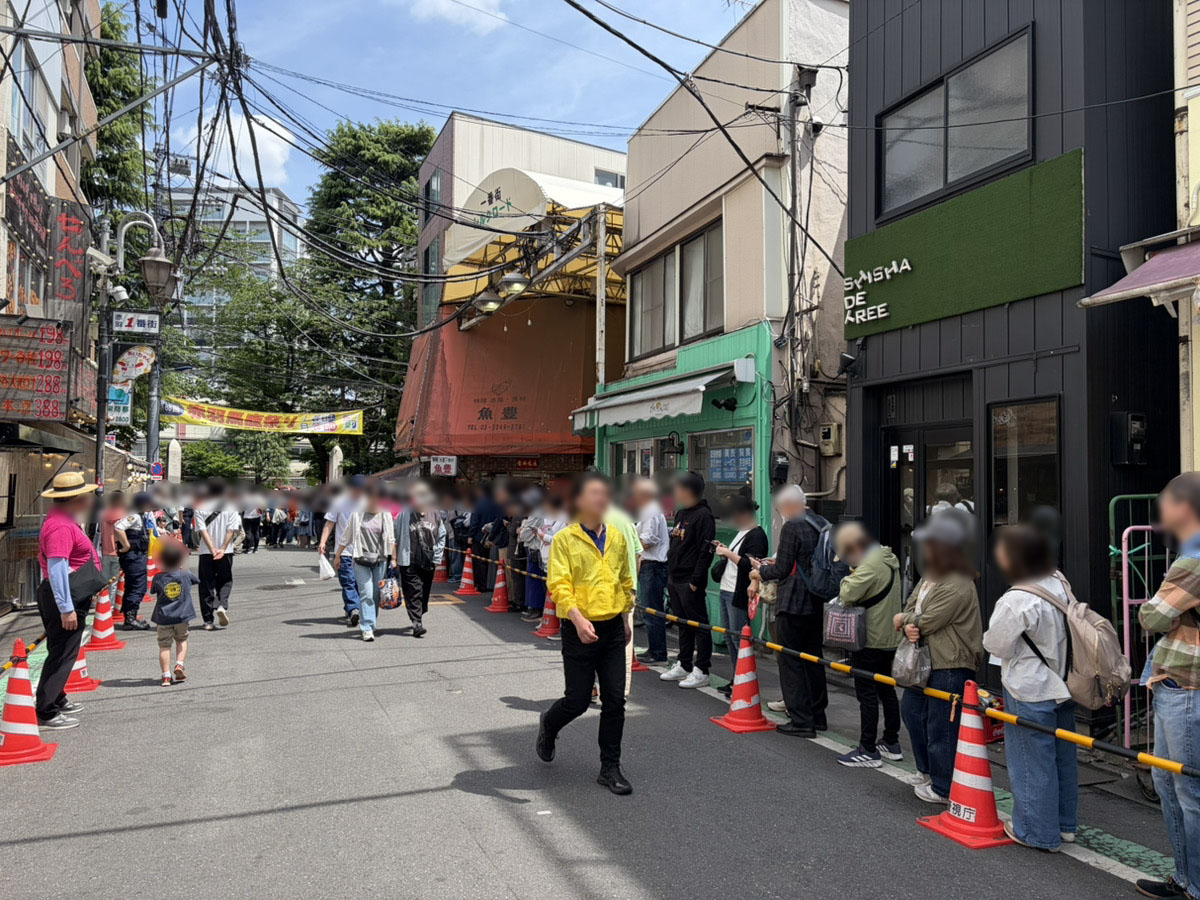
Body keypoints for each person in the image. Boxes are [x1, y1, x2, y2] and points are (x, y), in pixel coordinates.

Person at [536, 471, 635, 795]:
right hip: (577, 627)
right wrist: (578, 620)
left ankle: (610, 767)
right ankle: (549, 724)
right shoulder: (565, 539)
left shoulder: (617, 537)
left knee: (615, 701)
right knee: (577, 701)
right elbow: (559, 585)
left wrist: (625, 617)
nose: (603, 499)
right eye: (595, 493)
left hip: (612, 627)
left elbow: (624, 579)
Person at [983, 525, 1077, 852]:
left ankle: (1036, 831)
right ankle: (1065, 825)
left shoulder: (1016, 598)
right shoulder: (1059, 582)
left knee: (1031, 761)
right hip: (1063, 682)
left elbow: (995, 644)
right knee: (1063, 757)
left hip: (1030, 687)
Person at [1135, 473, 1200, 900]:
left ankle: (1192, 883)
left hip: (1187, 684)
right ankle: (1186, 878)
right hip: (1178, 683)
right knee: (1170, 782)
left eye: (1166, 501)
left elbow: (1152, 616)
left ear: (1185, 506)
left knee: (1186, 789)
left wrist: (1161, 611)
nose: (1160, 509)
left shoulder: (1193, 558)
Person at [896, 509, 983, 804]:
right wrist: (909, 621)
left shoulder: (958, 581)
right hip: (926, 659)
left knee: (941, 726)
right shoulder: (930, 577)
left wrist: (906, 621)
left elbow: (929, 620)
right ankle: (926, 771)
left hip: (951, 662)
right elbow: (911, 608)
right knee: (912, 712)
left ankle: (943, 786)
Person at [749, 485, 827, 737]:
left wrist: (760, 571)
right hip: (816, 599)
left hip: (793, 600)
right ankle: (818, 715)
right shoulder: (821, 522)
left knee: (790, 660)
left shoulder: (792, 526)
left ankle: (801, 720)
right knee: (813, 659)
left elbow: (782, 569)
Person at [35, 472, 104, 730]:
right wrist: (66, 608)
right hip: (64, 597)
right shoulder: (61, 526)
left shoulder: (63, 519)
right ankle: (47, 709)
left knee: (62, 650)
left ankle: (56, 697)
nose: (90, 499)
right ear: (75, 499)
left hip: (67, 594)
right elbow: (57, 569)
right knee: (62, 653)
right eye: (86, 495)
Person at [832, 521, 903, 768]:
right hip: (888, 636)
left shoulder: (870, 564)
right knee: (886, 689)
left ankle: (868, 749)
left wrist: (847, 573)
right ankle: (891, 741)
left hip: (870, 637)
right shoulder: (888, 558)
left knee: (867, 694)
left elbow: (847, 593)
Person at [659, 472, 716, 689]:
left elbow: (705, 551)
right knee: (682, 623)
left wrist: (695, 580)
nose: (675, 492)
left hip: (690, 579)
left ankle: (702, 669)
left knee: (699, 624)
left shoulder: (704, 516)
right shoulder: (682, 513)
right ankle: (684, 663)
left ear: (688, 490)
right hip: (675, 577)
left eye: (678, 488)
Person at [712, 495, 769, 696]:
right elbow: (739, 558)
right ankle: (736, 679)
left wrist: (727, 554)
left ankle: (743, 681)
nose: (732, 519)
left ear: (743, 514)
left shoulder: (757, 535)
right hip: (727, 588)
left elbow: (750, 565)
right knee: (730, 637)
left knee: (739, 639)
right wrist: (726, 550)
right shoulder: (742, 532)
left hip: (739, 592)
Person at [339, 484, 395, 642]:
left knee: (376, 595)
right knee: (366, 594)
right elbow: (347, 535)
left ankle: (371, 622)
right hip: (361, 559)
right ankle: (367, 628)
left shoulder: (386, 515)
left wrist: (394, 559)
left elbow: (391, 539)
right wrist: (338, 555)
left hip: (380, 560)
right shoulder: (358, 514)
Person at [395, 482, 445, 638]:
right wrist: (393, 557)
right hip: (409, 559)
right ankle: (417, 623)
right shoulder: (404, 514)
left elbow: (441, 535)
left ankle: (419, 612)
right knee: (413, 590)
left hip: (428, 560)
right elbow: (394, 535)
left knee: (424, 592)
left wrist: (437, 556)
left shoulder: (435, 514)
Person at [195, 479, 242, 632]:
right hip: (225, 552)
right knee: (225, 580)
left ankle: (208, 620)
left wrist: (212, 549)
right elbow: (231, 531)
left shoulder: (200, 506)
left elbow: (202, 531)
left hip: (206, 552)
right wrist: (222, 549)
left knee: (206, 585)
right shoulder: (231, 506)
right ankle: (221, 604)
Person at [320, 476, 367, 627]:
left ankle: (351, 608)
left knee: (360, 583)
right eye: (357, 489)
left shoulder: (367, 502)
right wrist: (322, 542)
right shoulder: (339, 501)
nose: (359, 492)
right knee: (348, 581)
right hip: (344, 551)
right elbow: (330, 523)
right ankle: (353, 609)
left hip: (363, 551)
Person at [633, 477, 671, 664]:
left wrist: (630, 544)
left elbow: (647, 541)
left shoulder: (650, 510)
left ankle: (658, 653)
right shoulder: (648, 510)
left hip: (653, 566)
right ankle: (655, 650)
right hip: (650, 566)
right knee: (650, 610)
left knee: (652, 611)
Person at [150, 539, 198, 687]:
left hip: (163, 617)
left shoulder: (158, 578)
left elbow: (153, 591)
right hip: (182, 616)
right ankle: (179, 664)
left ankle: (166, 676)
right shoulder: (185, 574)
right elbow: (196, 580)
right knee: (181, 640)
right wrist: (183, 567)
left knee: (164, 646)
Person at [113, 492, 154, 631]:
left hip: (137, 556)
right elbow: (118, 527)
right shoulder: (135, 516)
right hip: (134, 556)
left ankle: (129, 617)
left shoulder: (140, 515)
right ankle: (130, 618)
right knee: (138, 586)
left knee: (132, 586)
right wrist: (126, 546)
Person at [469, 482, 503, 591]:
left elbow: (474, 521)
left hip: (479, 536)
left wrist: (470, 536)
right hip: (493, 536)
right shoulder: (497, 503)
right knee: (491, 561)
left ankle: (481, 585)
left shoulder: (478, 504)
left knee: (479, 561)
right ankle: (491, 584)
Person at [99, 490, 125, 582]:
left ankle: (103, 592)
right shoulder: (123, 515)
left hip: (105, 551)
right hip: (118, 551)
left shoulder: (103, 514)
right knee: (114, 581)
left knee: (104, 579)